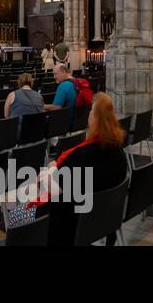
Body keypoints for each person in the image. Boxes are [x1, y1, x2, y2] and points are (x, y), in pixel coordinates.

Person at [33, 93, 129, 245]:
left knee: (17, 218)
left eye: (91, 110)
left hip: (68, 223)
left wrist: (50, 169)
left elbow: (51, 186)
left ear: (95, 119)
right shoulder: (118, 153)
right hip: (104, 221)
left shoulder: (82, 156)